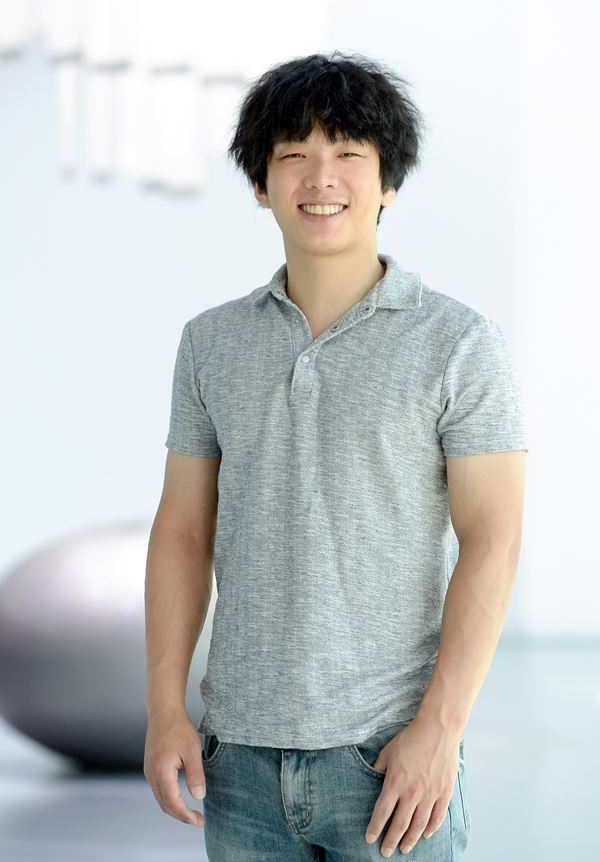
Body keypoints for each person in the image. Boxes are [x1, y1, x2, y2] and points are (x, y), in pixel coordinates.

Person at [144, 51, 528, 860]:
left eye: (349, 153)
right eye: (294, 155)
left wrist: (440, 730)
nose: (322, 178)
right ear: (261, 183)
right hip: (237, 759)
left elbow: (493, 540)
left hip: (391, 759)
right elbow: (181, 531)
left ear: (389, 181)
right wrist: (164, 707)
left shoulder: (460, 343)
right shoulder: (210, 343)